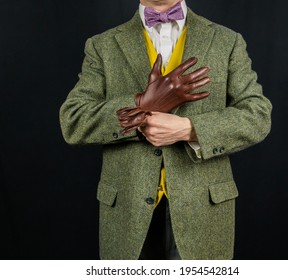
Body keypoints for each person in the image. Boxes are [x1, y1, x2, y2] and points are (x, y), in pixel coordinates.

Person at [59, 0, 272, 260]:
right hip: (126, 212)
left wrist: (190, 129)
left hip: (204, 209)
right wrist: (140, 104)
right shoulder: (102, 45)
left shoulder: (227, 40)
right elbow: (73, 120)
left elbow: (257, 115)